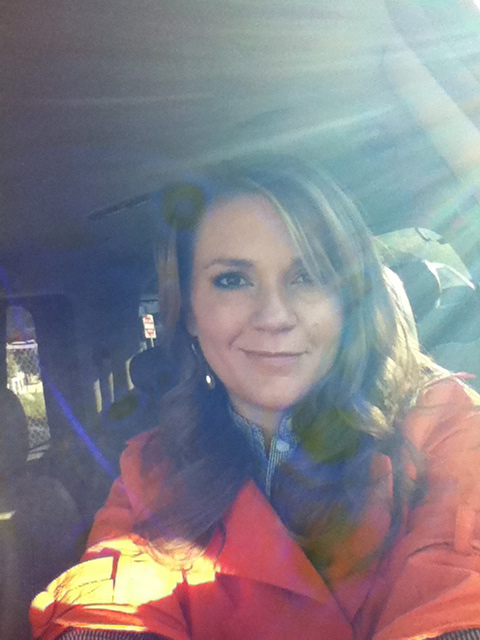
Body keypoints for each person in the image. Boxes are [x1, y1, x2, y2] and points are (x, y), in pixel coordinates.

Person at [30, 158, 480, 639]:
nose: (274, 315)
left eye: (309, 276)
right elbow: (112, 588)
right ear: (190, 313)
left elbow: (460, 581)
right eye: (232, 280)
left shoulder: (445, 424)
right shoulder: (154, 466)